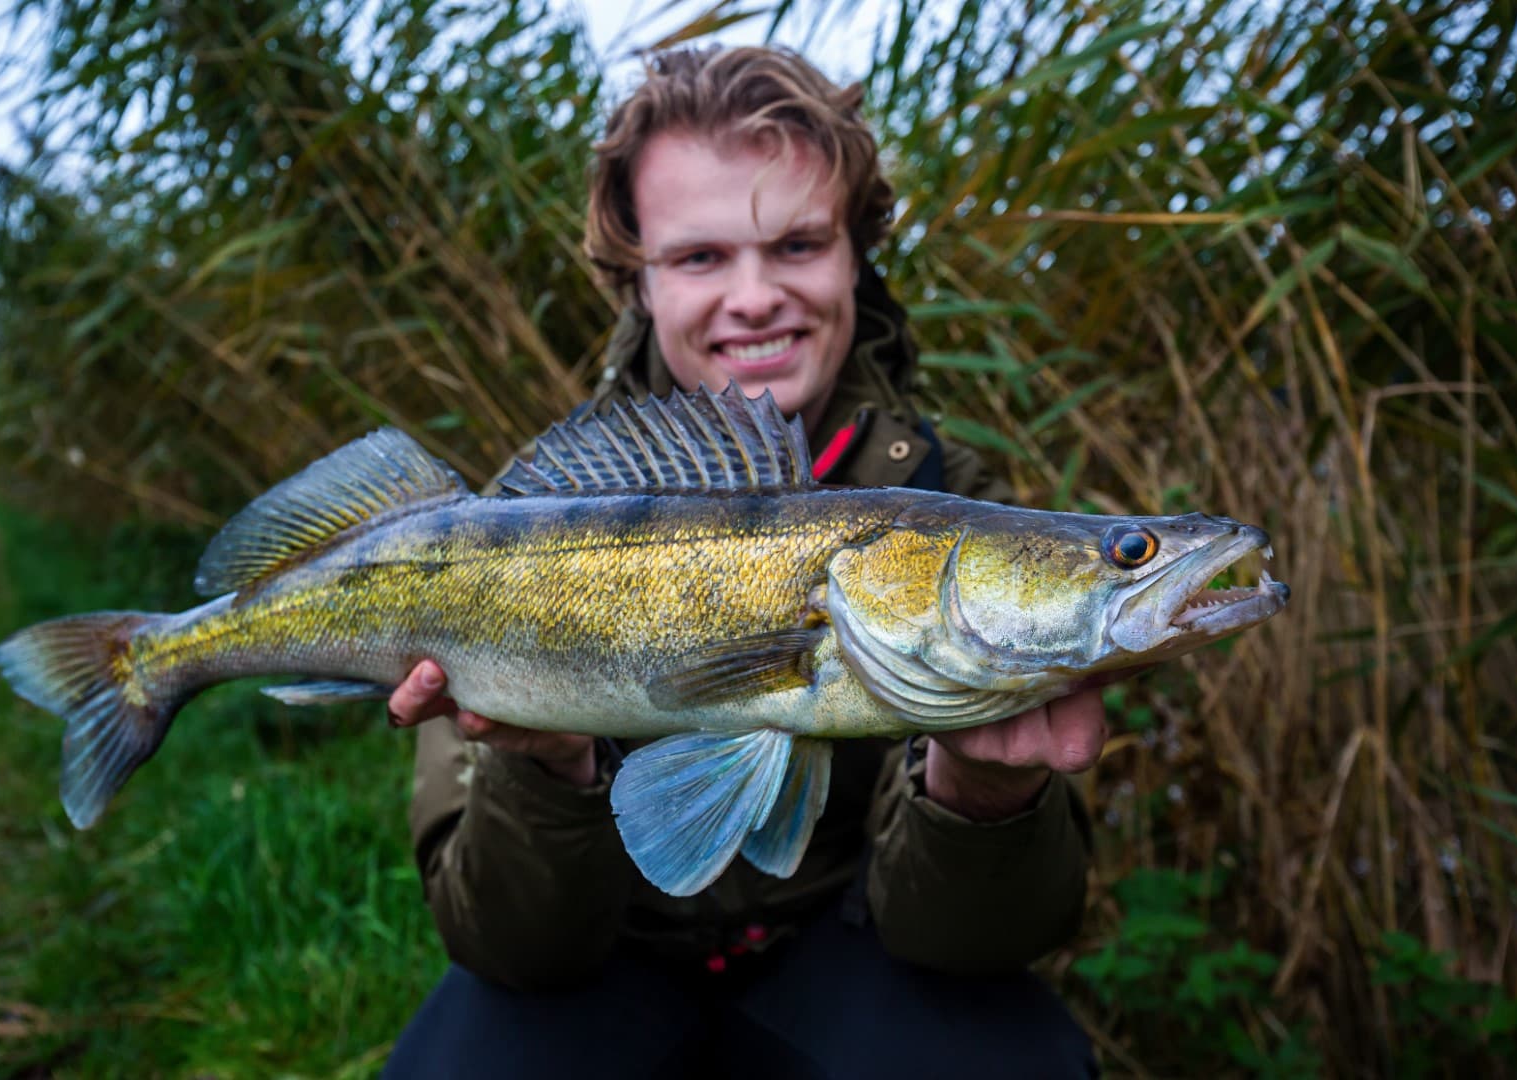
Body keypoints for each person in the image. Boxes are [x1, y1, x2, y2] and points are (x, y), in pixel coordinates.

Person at [381, 46, 1105, 1078]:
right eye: (700, 257)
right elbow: (508, 946)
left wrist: (980, 799)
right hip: (602, 955)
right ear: (637, 280)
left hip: (847, 943)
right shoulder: (526, 520)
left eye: (800, 243)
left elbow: (976, 941)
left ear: (858, 254)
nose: (755, 297)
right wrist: (544, 767)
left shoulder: (959, 501)